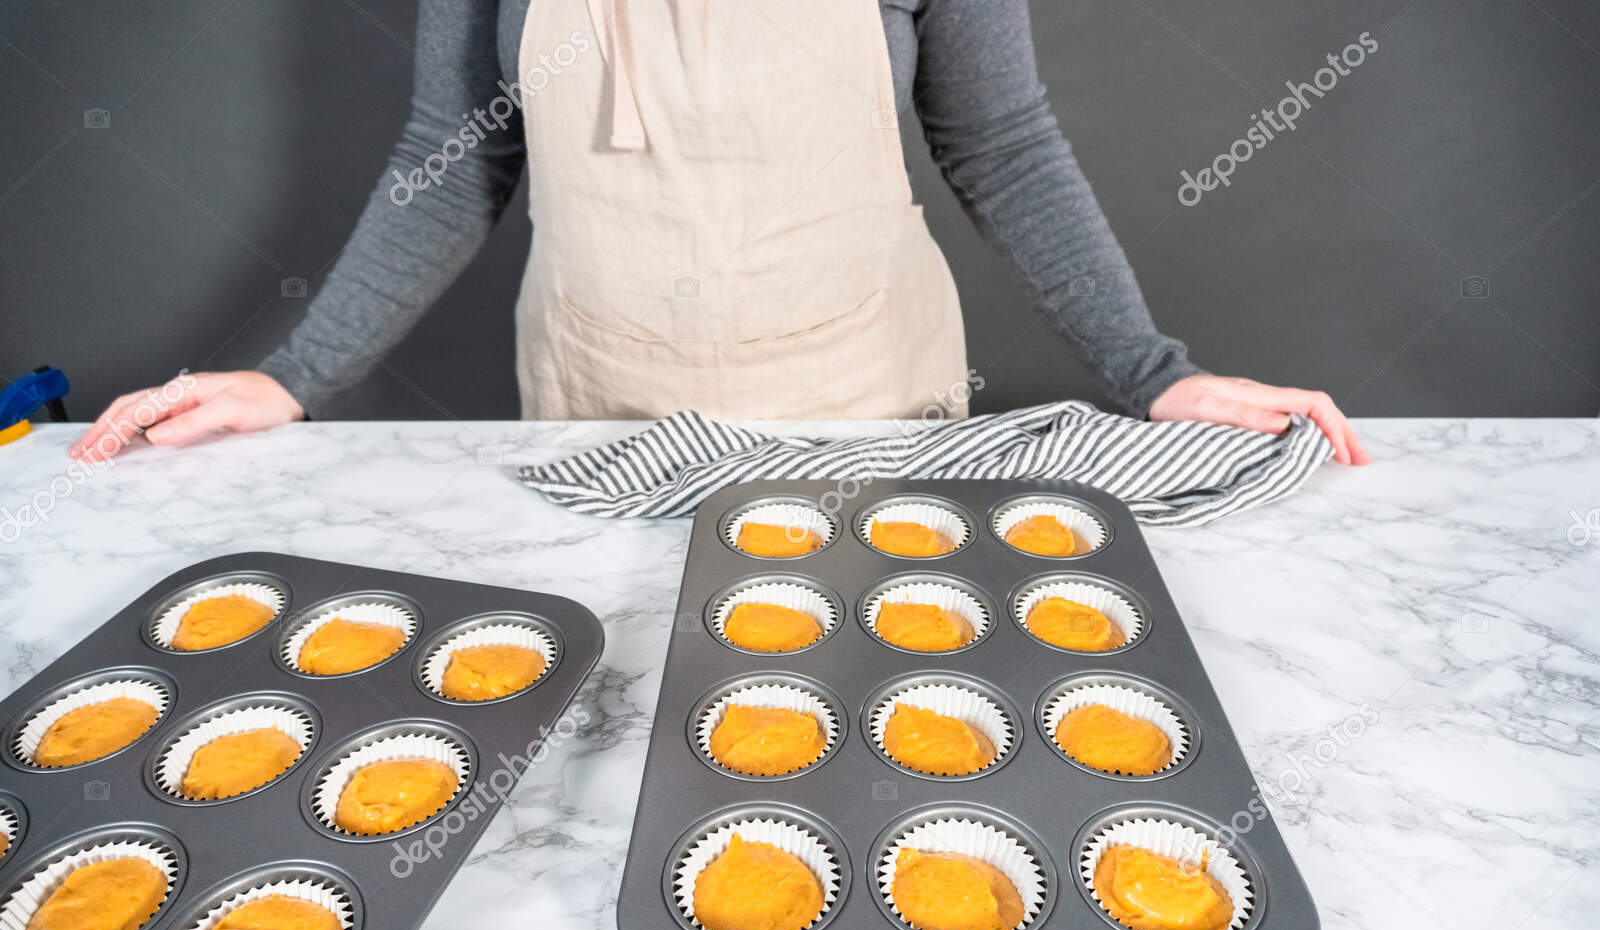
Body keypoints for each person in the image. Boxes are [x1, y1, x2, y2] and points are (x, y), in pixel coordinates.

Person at [71, 0, 1368, 465]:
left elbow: (1004, 145)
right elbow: (452, 158)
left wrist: (1156, 370)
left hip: (868, 418)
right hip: (598, 413)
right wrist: (294, 376)